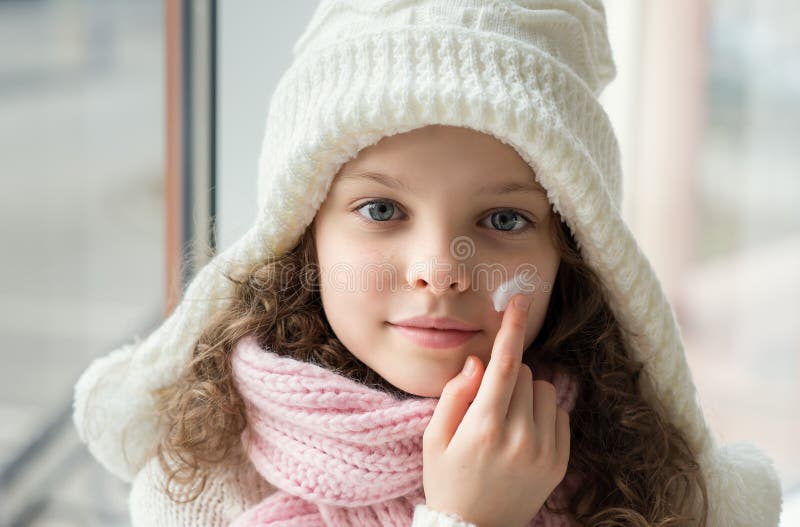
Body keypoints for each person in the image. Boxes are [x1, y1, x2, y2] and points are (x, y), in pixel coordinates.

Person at [72, 1, 783, 526]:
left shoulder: (636, 483)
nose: (441, 269)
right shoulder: (198, 475)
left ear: (575, 250)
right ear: (301, 231)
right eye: (382, 210)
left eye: (504, 219)